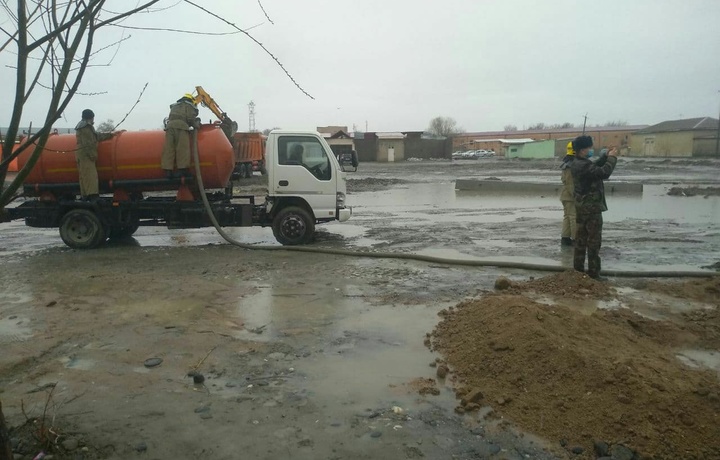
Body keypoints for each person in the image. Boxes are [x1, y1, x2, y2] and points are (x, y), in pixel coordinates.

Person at [570, 135, 619, 280]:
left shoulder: (578, 163)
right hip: (591, 209)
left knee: (580, 241)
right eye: (590, 148)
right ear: (583, 150)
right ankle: (593, 273)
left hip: (581, 207)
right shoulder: (583, 165)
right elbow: (603, 172)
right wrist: (612, 158)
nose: (591, 150)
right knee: (593, 242)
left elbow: (594, 167)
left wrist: (604, 156)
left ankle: (578, 271)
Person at [75, 109, 112, 201]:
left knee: (84, 176)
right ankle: (92, 195)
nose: (93, 120)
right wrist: (93, 155)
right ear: (90, 117)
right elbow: (89, 143)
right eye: (93, 118)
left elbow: (96, 136)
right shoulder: (86, 127)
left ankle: (85, 195)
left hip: (81, 155)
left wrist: (110, 135)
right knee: (90, 175)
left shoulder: (82, 126)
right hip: (86, 156)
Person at [162, 93, 199, 179]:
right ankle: (182, 171)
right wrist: (196, 125)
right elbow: (190, 118)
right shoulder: (189, 106)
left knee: (169, 149)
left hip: (170, 127)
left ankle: (168, 171)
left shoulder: (174, 106)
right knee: (182, 149)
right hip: (181, 127)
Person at [559, 141, 576, 246]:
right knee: (573, 218)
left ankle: (565, 238)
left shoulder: (566, 163)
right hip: (570, 197)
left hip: (566, 196)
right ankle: (575, 239)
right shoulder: (571, 166)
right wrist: (576, 196)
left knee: (568, 217)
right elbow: (570, 184)